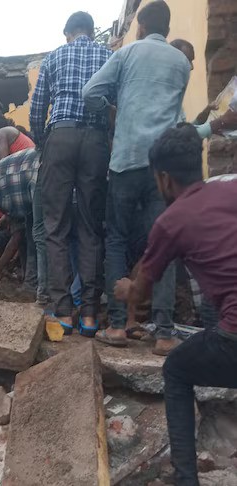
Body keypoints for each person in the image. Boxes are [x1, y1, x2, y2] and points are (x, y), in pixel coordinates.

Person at [112, 124, 237, 485]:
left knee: (177, 370)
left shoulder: (170, 221)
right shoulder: (230, 190)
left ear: (164, 179)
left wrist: (125, 289)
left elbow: (141, 293)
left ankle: (186, 478)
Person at [83, 0, 191, 354]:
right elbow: (177, 115)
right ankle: (164, 333)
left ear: (140, 27)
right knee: (163, 244)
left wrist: (112, 111)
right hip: (162, 167)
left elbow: (90, 92)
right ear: (167, 28)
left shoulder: (127, 53)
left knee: (115, 239)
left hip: (126, 161)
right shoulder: (181, 62)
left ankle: (117, 326)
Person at [29, 11, 112, 334]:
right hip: (95, 139)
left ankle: (63, 312)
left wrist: (44, 143)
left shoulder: (54, 57)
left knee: (55, 226)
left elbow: (38, 109)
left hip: (60, 137)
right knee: (91, 226)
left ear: (68, 33)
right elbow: (114, 103)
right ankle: (90, 315)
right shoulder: (108, 55)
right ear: (91, 31)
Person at [0, 149, 41, 286]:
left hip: (38, 170)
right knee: (32, 237)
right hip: (36, 173)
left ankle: (35, 286)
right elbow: (17, 236)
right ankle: (30, 282)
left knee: (40, 237)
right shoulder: (13, 200)